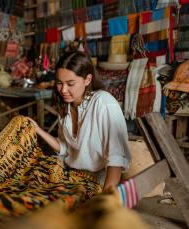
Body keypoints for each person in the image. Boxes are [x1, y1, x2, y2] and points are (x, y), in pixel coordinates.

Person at [28, 51, 131, 192]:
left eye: (70, 83)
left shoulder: (103, 103)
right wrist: (38, 130)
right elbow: (64, 148)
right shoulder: (65, 106)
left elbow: (116, 158)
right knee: (30, 181)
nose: (63, 90)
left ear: (87, 80)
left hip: (97, 178)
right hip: (71, 173)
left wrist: (107, 198)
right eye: (59, 83)